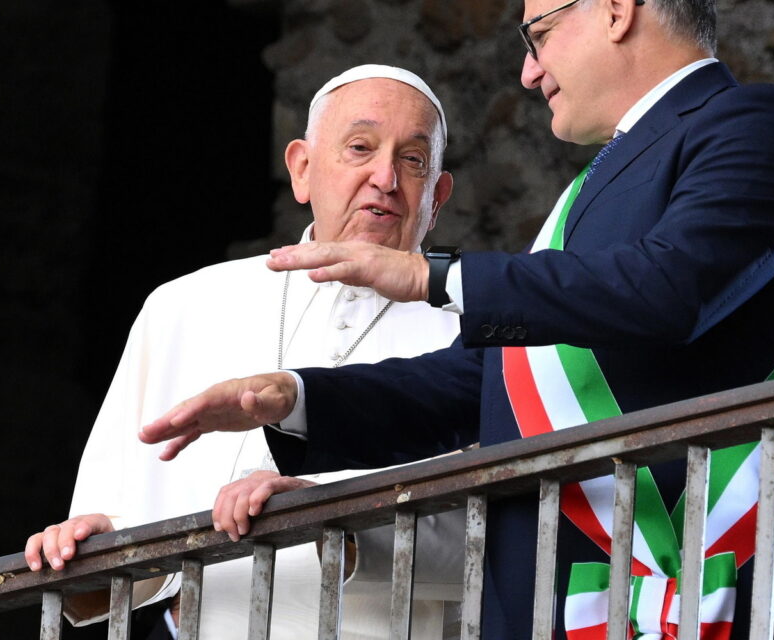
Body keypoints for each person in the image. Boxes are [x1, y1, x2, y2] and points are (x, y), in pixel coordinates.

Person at [141, 1, 774, 637]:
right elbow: (490, 384)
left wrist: (435, 276)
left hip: (700, 583)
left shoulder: (757, 122)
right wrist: (297, 399)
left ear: (617, 11)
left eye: (538, 35)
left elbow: (671, 289)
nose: (529, 71)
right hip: (558, 598)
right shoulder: (596, 184)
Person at [24, 65, 467, 640]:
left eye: (412, 160)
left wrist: (336, 519)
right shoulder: (184, 305)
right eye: (360, 148)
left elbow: (500, 538)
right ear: (302, 169)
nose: (384, 177)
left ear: (438, 195)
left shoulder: (471, 334)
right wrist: (84, 547)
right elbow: (111, 538)